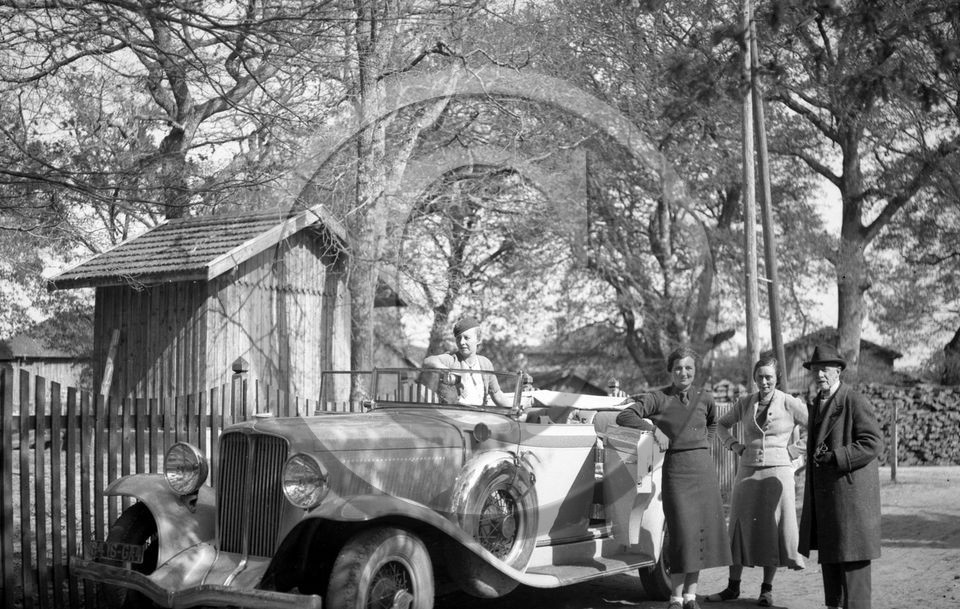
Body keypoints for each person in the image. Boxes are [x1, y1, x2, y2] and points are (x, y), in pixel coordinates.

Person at [616, 346, 731, 609]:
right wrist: (654, 431)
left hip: (703, 471)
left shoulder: (705, 398)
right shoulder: (659, 398)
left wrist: (704, 444)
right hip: (676, 472)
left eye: (689, 368)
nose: (683, 372)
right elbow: (625, 415)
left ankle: (690, 597)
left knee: (700, 535)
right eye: (678, 368)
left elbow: (713, 423)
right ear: (671, 371)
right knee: (681, 535)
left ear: (695, 370)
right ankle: (675, 598)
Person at [706, 355, 807, 607]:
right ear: (754, 378)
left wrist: (793, 451)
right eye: (760, 377)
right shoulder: (745, 403)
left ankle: (766, 590)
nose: (764, 382)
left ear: (777, 378)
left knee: (772, 528)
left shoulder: (789, 402)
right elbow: (721, 425)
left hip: (778, 473)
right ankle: (732, 587)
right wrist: (734, 445)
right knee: (738, 528)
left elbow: (817, 427)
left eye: (769, 377)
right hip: (747, 472)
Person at [798, 344, 882, 609]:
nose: (819, 375)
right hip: (827, 500)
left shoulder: (853, 400)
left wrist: (837, 457)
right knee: (833, 565)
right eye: (815, 370)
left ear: (838, 371)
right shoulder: (817, 403)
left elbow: (873, 443)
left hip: (850, 499)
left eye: (825, 369)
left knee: (853, 563)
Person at [421, 316, 512, 408]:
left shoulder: (485, 363)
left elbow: (497, 394)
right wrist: (446, 370)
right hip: (455, 413)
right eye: (458, 338)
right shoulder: (451, 360)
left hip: (480, 413)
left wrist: (513, 410)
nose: (461, 342)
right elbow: (428, 361)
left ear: (478, 340)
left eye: (466, 338)